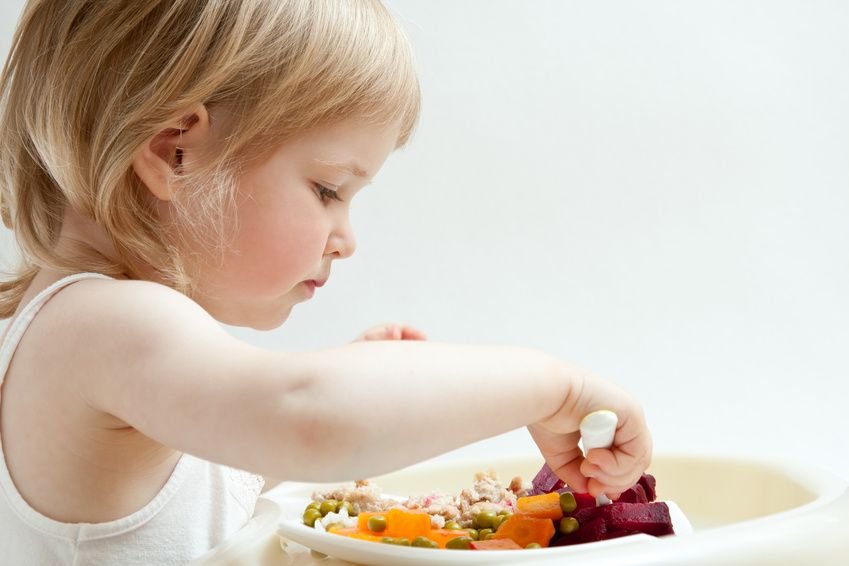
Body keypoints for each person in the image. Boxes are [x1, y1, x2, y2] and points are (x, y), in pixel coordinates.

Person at [0, 1, 652, 563]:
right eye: (328, 189)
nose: (346, 238)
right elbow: (307, 420)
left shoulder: (97, 336)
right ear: (176, 150)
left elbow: (223, 481)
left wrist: (372, 382)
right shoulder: (102, 324)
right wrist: (549, 388)